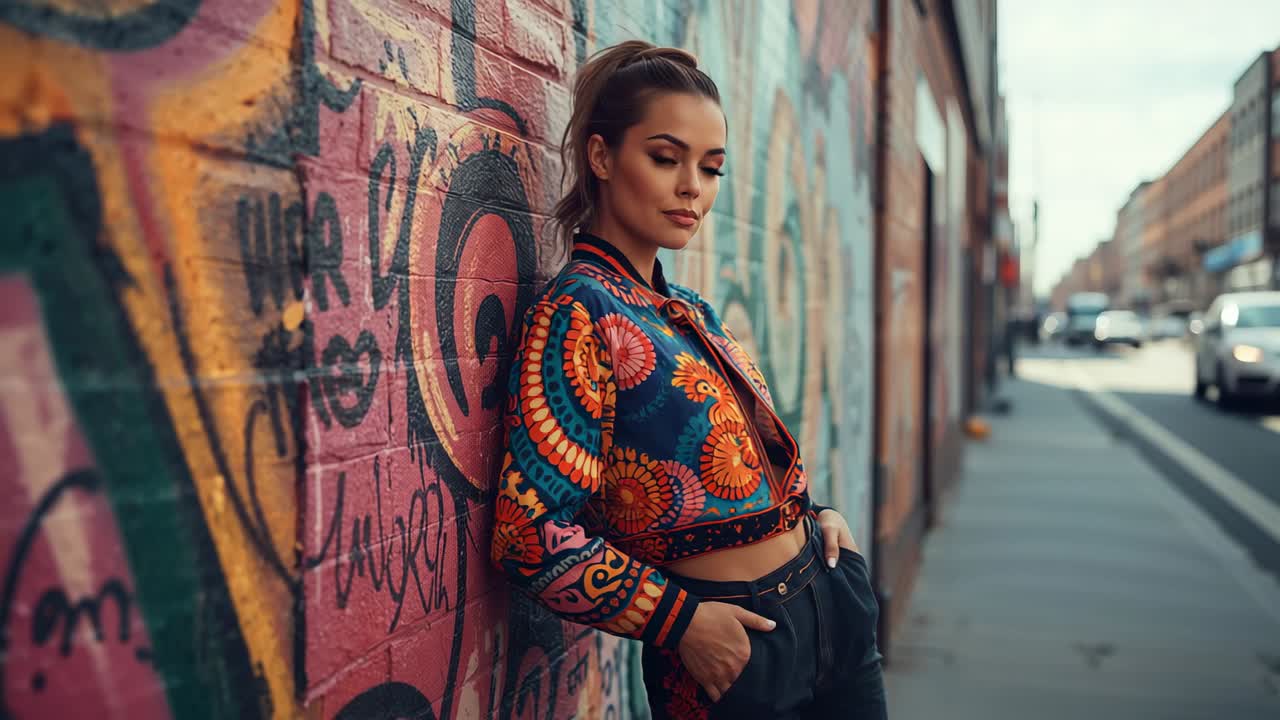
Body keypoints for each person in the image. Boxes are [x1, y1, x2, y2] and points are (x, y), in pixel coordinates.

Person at [490, 39, 887, 719]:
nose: (691, 188)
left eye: (711, 168)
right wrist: (678, 621)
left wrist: (821, 517)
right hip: (736, 649)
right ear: (601, 156)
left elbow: (745, 464)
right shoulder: (580, 310)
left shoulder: (691, 312)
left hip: (832, 606)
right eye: (666, 158)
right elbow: (528, 533)